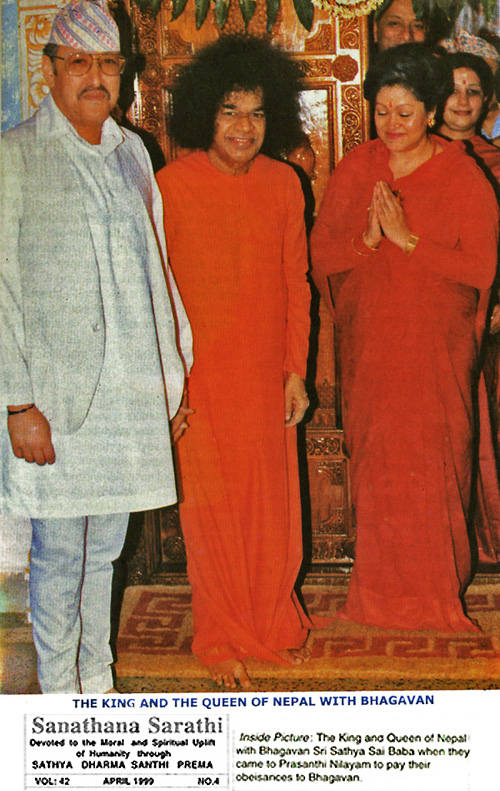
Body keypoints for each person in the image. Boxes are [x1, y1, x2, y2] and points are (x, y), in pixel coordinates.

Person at [0, 0, 192, 694]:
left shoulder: (132, 153)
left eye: (108, 64)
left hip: (127, 392)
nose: (95, 77)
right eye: (79, 62)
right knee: (58, 552)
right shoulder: (15, 155)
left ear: (124, 73)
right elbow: (2, 290)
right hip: (52, 398)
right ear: (49, 70)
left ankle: (98, 686)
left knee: (106, 549)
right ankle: (58, 698)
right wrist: (17, 401)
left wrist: (171, 382)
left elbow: (157, 273)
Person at [310, 44, 499, 632]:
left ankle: (436, 593)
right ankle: (380, 594)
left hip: (435, 353)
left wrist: (409, 240)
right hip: (373, 352)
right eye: (383, 111)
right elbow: (321, 258)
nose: (392, 125)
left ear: (432, 110)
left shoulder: (462, 173)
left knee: (435, 466)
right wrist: (368, 242)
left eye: (406, 113)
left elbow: (483, 270)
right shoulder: (356, 169)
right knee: (379, 468)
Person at [156, 35, 321, 689]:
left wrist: (296, 369)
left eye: (255, 112)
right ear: (206, 114)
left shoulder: (285, 184)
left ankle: (272, 619)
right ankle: (221, 634)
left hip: (265, 376)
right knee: (211, 513)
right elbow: (154, 293)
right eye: (229, 110)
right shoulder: (169, 186)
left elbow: (297, 282)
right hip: (199, 379)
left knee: (273, 512)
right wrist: (166, 386)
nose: (243, 127)